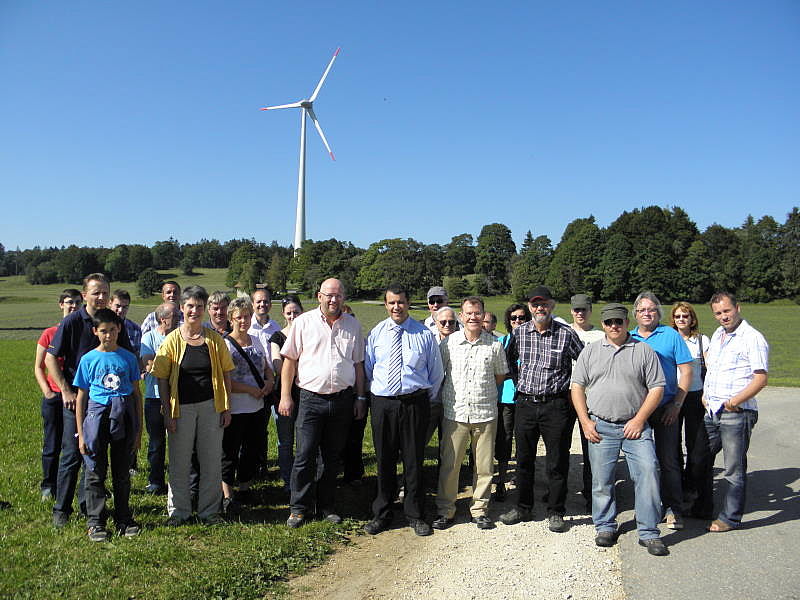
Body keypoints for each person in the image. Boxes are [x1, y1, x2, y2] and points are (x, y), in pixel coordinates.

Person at [570, 303, 669, 556]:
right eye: (609, 322)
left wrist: (639, 420)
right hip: (600, 425)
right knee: (602, 481)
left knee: (648, 472)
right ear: (603, 325)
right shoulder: (590, 352)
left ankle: (648, 532)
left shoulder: (643, 351)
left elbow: (657, 387)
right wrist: (585, 421)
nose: (614, 326)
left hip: (635, 426)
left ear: (627, 323)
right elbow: (577, 387)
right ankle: (605, 526)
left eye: (619, 321)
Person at [45, 273, 135, 528]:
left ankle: (90, 508)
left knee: (94, 456)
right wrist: (65, 390)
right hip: (78, 399)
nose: (101, 297)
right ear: (84, 295)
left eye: (105, 292)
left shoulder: (113, 321)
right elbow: (51, 358)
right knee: (73, 454)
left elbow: (125, 354)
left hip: (107, 403)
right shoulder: (73, 321)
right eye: (96, 292)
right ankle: (61, 509)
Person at [278, 278, 366, 528]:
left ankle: (327, 505)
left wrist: (360, 397)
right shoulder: (303, 323)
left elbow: (358, 365)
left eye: (338, 295)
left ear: (344, 298)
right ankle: (299, 507)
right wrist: (285, 396)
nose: (333, 300)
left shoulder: (353, 325)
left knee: (331, 457)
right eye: (328, 295)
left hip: (342, 401)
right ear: (319, 296)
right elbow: (289, 362)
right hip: (310, 400)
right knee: (304, 455)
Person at [500, 286, 583, 533]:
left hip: (555, 405)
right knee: (524, 460)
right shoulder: (520, 333)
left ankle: (556, 511)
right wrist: (519, 384)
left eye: (544, 304)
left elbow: (586, 362)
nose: (539, 308)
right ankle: (523, 507)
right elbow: (508, 361)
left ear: (552, 305)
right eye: (535, 305)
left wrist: (574, 388)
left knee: (556, 461)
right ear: (529, 307)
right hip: (525, 403)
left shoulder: (566, 334)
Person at [363, 284, 444, 537]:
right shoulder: (376, 333)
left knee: (413, 461)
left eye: (400, 302)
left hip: (414, 404)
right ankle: (383, 512)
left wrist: (418, 398)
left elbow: (436, 373)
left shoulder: (423, 335)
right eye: (391, 303)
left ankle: (415, 514)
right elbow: (369, 369)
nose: (396, 307)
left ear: (408, 303)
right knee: (385, 459)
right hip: (383, 404)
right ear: (385, 305)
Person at [152, 285, 234, 526]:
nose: (194, 311)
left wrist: (226, 407)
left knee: (211, 461)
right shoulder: (172, 340)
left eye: (199, 306)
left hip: (211, 407)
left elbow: (227, 375)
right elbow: (162, 378)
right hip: (181, 410)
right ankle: (179, 512)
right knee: (179, 462)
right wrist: (167, 412)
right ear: (181, 308)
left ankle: (210, 512)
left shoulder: (215, 340)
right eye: (190, 306)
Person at [433, 296, 508, 530]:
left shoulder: (494, 345)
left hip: (485, 413)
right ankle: (446, 510)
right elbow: (440, 374)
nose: (473, 317)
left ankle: (480, 510)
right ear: (461, 316)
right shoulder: (448, 344)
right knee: (450, 465)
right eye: (469, 313)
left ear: (483, 315)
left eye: (477, 313)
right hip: (454, 414)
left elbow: (499, 377)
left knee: (484, 466)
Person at [702, 292, 768, 532]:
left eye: (727, 311)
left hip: (736, 412)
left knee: (733, 468)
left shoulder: (752, 338)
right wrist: (705, 394)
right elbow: (714, 369)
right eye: (718, 313)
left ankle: (730, 518)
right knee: (701, 458)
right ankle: (701, 506)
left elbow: (760, 378)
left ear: (737, 308)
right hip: (712, 410)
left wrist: (734, 401)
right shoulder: (719, 335)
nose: (723, 317)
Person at [74, 308, 143, 542]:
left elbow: (136, 394)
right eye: (103, 331)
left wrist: (138, 430)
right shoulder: (88, 359)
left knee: (122, 472)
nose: (108, 335)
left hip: (123, 416)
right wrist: (82, 433)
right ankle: (96, 521)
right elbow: (82, 397)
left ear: (119, 329)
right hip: (97, 417)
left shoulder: (128, 358)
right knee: (95, 471)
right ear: (95, 331)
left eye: (112, 330)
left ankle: (124, 517)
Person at [630, 291, 693, 530]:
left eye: (651, 309)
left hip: (666, 406)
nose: (647, 313)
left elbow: (686, 372)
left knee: (669, 460)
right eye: (642, 310)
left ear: (659, 312)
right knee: (644, 462)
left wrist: (677, 404)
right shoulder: (630, 336)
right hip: (638, 410)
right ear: (635, 314)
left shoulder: (670, 335)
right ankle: (649, 507)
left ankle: (673, 508)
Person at [221, 297, 273, 515]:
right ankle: (227, 495)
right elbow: (224, 380)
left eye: (247, 316)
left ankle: (245, 488)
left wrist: (269, 382)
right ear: (231, 319)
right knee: (229, 452)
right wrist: (249, 389)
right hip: (235, 408)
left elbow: (267, 366)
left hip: (257, 407)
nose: (243, 321)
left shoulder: (257, 340)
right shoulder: (224, 344)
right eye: (239, 317)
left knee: (252, 451)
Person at [34, 288, 82, 501]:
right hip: (55, 396)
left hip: (75, 397)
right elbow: (39, 366)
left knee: (73, 444)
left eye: (77, 303)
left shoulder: (82, 333)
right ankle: (48, 485)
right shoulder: (49, 333)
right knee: (52, 443)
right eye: (70, 302)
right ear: (61, 304)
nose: (73, 306)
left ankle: (75, 486)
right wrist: (48, 392)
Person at [669, 301, 712, 517]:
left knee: (696, 446)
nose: (681, 320)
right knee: (672, 444)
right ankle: (677, 489)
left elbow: (711, 370)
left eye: (685, 316)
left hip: (696, 396)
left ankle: (692, 484)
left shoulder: (702, 341)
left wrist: (707, 394)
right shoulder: (670, 337)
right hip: (673, 395)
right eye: (677, 316)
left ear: (692, 318)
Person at [568, 294, 605, 511]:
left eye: (584, 309)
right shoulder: (564, 331)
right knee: (560, 446)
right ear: (571, 311)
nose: (580, 313)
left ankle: (592, 493)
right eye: (576, 310)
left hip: (592, 396)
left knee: (591, 445)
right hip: (566, 392)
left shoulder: (599, 335)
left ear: (590, 310)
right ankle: (559, 490)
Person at [139, 302, 180, 495]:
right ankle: (155, 481)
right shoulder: (149, 337)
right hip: (154, 397)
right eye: (174, 315)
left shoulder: (181, 336)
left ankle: (178, 479)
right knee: (156, 442)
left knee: (179, 441)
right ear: (163, 319)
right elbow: (149, 366)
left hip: (178, 397)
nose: (179, 317)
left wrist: (161, 361)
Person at [493, 303, 531, 501]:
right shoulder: (502, 342)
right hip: (506, 397)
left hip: (527, 397)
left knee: (525, 441)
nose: (517, 321)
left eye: (521, 317)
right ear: (508, 321)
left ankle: (524, 479)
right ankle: (501, 479)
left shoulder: (534, 341)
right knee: (504, 439)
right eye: (513, 318)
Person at [269, 295, 304, 494]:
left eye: (296, 312)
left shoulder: (309, 334)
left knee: (305, 440)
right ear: (283, 314)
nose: (292, 316)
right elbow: (277, 364)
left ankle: (302, 478)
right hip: (283, 393)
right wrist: (296, 368)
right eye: (289, 312)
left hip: (306, 393)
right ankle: (287, 480)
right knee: (285, 440)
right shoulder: (277, 337)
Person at [424, 306, 459, 452]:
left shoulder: (461, 343)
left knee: (448, 444)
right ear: (436, 322)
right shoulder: (428, 342)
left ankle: (444, 474)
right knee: (421, 438)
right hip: (431, 400)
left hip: (452, 402)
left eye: (451, 322)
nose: (447, 325)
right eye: (443, 322)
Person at [109, 289, 142, 357]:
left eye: (124, 307)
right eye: (117, 306)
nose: (120, 310)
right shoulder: (101, 326)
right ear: (110, 303)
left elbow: (136, 355)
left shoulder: (135, 329)